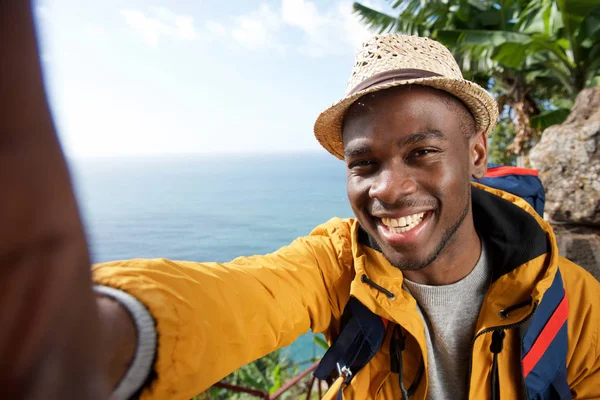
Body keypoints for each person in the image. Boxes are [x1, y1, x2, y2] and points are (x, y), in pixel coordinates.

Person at [1, 2, 599, 400]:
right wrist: (90, 333)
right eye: (363, 164)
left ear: (475, 155)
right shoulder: (336, 267)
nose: (386, 189)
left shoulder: (576, 306)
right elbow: (238, 297)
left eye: (421, 152)